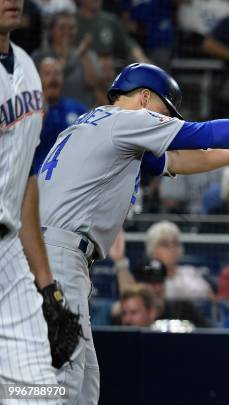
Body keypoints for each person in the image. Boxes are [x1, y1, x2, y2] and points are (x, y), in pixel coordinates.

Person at [34, 62, 229, 404]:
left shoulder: (98, 125)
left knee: (84, 382)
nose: (168, 119)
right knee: (63, 383)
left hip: (54, 254)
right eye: (166, 110)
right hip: (59, 255)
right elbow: (202, 134)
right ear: (145, 97)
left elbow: (175, 162)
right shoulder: (128, 120)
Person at [0, 0, 62, 392]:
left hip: (8, 252)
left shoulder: (26, 64)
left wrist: (46, 282)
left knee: (39, 390)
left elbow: (24, 180)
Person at [32, 11, 106, 107]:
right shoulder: (39, 56)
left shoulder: (87, 54)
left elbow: (95, 84)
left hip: (81, 115)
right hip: (50, 116)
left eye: (71, 28)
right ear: (52, 30)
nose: (67, 31)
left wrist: (82, 54)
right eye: (62, 28)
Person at [32, 56, 87, 172]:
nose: (53, 78)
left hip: (71, 176)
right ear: (38, 78)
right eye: (48, 73)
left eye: (57, 73)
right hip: (39, 179)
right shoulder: (30, 113)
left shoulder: (78, 109)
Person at [145, 221, 213, 300]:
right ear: (152, 250)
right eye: (165, 244)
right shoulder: (146, 279)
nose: (172, 249)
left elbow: (212, 303)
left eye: (175, 243)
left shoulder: (191, 272)